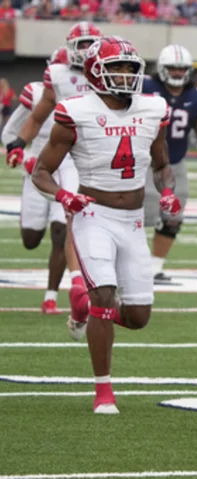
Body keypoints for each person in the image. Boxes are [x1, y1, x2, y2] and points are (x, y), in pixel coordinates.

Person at [32, 36, 178, 414]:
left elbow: (162, 165)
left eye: (131, 68)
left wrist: (167, 192)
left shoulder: (153, 108)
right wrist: (65, 197)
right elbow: (42, 171)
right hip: (92, 214)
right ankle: (103, 391)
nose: (126, 75)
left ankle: (80, 306)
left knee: (138, 317)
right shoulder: (74, 110)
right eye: (117, 67)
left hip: (132, 221)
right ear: (96, 72)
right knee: (104, 296)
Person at [5, 21, 102, 340]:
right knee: (32, 239)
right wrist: (20, 151)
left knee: (65, 228)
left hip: (74, 162)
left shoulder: (100, 82)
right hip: (40, 164)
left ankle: (65, 291)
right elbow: (16, 131)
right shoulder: (42, 88)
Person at [1, 47, 73, 315]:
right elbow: (10, 134)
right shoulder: (37, 91)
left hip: (69, 165)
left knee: (60, 231)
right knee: (31, 239)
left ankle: (50, 296)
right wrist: (25, 160)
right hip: (37, 165)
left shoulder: (88, 96)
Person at [143, 44, 197, 284]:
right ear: (163, 69)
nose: (177, 73)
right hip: (143, 160)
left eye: (181, 68)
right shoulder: (145, 87)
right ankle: (129, 262)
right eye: (172, 68)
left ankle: (155, 267)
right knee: (139, 214)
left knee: (173, 216)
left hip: (174, 162)